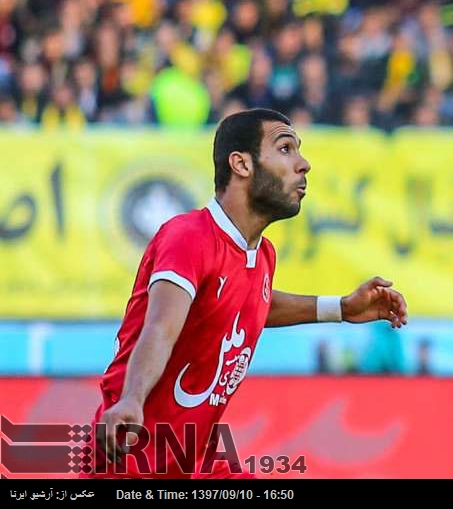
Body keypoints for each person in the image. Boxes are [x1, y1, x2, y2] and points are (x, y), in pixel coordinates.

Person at [87, 108, 408, 478]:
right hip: (131, 463)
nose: (304, 164)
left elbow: (248, 303)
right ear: (240, 163)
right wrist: (132, 398)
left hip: (197, 463)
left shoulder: (261, 254)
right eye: (286, 149)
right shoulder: (190, 237)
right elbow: (161, 327)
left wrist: (341, 308)